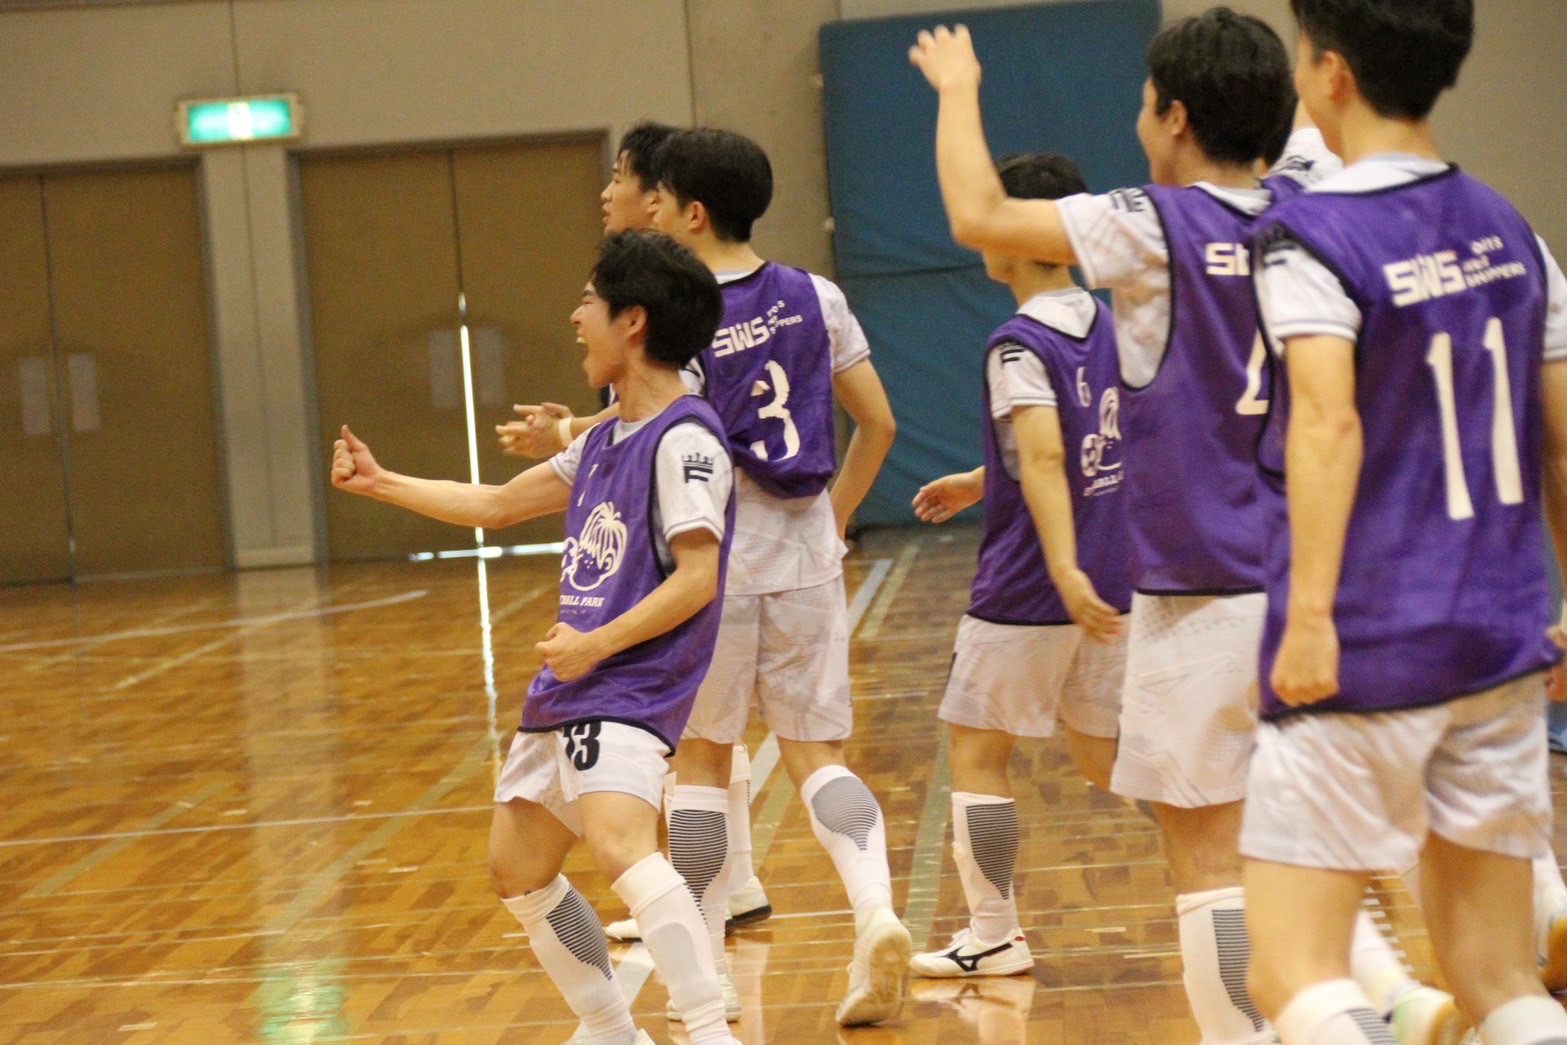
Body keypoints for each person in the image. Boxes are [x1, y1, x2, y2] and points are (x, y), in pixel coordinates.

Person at [910, 11, 1464, 1043]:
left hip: (1201, 591)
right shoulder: (1312, 202)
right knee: (1293, 843)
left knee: (1208, 863)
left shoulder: (1153, 227)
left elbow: (980, 214)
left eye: (1142, 104)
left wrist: (954, 89)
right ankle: (1388, 994)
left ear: (1170, 115)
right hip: (1321, 587)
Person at [1240, 1, 1567, 1042]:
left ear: (1330, 73)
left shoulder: (1311, 235)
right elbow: (1561, 441)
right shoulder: (1511, 227)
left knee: (1292, 972)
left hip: (1368, 642)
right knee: (1497, 975)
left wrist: (1308, 618)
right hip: (1500, 638)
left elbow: (1325, 422)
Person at [331, 230, 742, 1045]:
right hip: (572, 682)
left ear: (632, 320)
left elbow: (698, 578)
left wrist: (597, 644)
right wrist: (381, 483)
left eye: (588, 302)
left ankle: (709, 1031)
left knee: (623, 846)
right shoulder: (601, 439)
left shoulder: (686, 439)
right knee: (516, 869)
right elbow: (494, 505)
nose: (574, 318)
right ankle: (611, 1029)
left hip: (628, 682)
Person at [648, 126, 905, 1027]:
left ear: (692, 212)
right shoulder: (816, 295)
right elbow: (879, 423)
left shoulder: (674, 318)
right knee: (814, 754)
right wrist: (832, 518)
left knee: (701, 762)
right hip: (804, 557)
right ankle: (874, 910)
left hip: (709, 562)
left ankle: (706, 975)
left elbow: (655, 444)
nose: (651, 212)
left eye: (660, 199)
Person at [499, 119, 776, 945]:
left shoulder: (677, 389)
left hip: (676, 588)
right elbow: (503, 498)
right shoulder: (786, 297)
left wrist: (595, 643)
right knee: (712, 749)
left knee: (693, 758)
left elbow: (662, 435)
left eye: (624, 178)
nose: (611, 193)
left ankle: (708, 946)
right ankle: (730, 895)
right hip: (760, 551)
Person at [907, 151, 1130, 979]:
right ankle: (1249, 865)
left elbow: (1043, 458)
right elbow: (1086, 439)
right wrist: (981, 479)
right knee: (1109, 758)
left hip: (1033, 583)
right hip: (1114, 575)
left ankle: (993, 932)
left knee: (976, 751)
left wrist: (1060, 567)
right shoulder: (1109, 323)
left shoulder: (1017, 344)